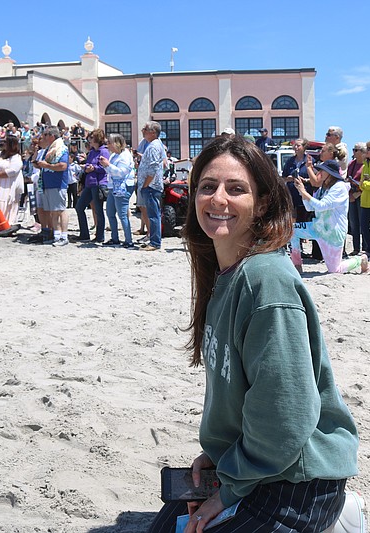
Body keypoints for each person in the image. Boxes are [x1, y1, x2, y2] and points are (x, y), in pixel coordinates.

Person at [147, 135, 358, 533]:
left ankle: (342, 520)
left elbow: (287, 418)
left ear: (262, 203)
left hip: (297, 484)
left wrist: (230, 487)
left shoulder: (266, 281)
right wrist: (223, 458)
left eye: (236, 188)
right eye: (207, 187)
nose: (218, 199)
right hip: (259, 465)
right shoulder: (224, 274)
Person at [292, 159, 370, 275]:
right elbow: (310, 208)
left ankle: (361, 259)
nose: (319, 173)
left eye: (322, 170)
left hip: (333, 233)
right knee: (291, 230)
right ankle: (297, 266)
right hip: (318, 227)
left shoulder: (339, 187)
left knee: (335, 270)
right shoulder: (323, 188)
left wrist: (304, 193)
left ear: (329, 173)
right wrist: (302, 193)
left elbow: (322, 206)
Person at [34, 126, 70, 246]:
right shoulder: (48, 150)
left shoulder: (61, 149)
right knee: (53, 212)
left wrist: (46, 166)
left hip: (58, 184)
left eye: (45, 135)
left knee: (60, 210)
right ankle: (56, 236)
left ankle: (64, 236)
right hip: (48, 183)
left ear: (52, 136)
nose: (43, 138)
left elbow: (63, 166)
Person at [99, 133, 136, 248]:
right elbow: (111, 171)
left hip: (123, 186)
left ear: (117, 143)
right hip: (113, 187)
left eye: (109, 142)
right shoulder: (114, 155)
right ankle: (115, 238)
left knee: (122, 214)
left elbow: (121, 172)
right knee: (110, 212)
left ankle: (128, 240)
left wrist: (108, 165)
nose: (107, 145)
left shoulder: (125, 155)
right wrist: (106, 165)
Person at [74, 128, 109, 243]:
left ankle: (100, 236)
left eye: (92, 138)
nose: (89, 140)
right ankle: (84, 234)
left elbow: (104, 168)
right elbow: (89, 163)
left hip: (98, 184)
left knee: (98, 210)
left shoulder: (103, 151)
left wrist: (93, 168)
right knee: (79, 207)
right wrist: (86, 167)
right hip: (89, 183)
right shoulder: (93, 152)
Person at [0, 133, 24, 232]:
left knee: (3, 202)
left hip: (6, 185)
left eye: (5, 142)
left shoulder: (16, 157)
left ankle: (3, 224)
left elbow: (13, 170)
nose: (3, 143)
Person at [137, 121, 166, 251]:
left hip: (151, 186)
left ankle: (155, 243)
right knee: (153, 214)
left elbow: (153, 168)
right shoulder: (154, 144)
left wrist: (145, 185)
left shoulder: (153, 146)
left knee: (153, 215)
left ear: (153, 132)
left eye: (145, 128)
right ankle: (154, 240)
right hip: (151, 186)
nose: (142, 130)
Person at [345, 143, 366, 255]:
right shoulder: (352, 164)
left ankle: (365, 248)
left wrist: (356, 194)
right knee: (353, 223)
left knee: (363, 222)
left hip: (362, 196)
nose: (354, 152)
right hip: (351, 195)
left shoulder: (367, 165)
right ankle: (356, 248)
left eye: (356, 150)